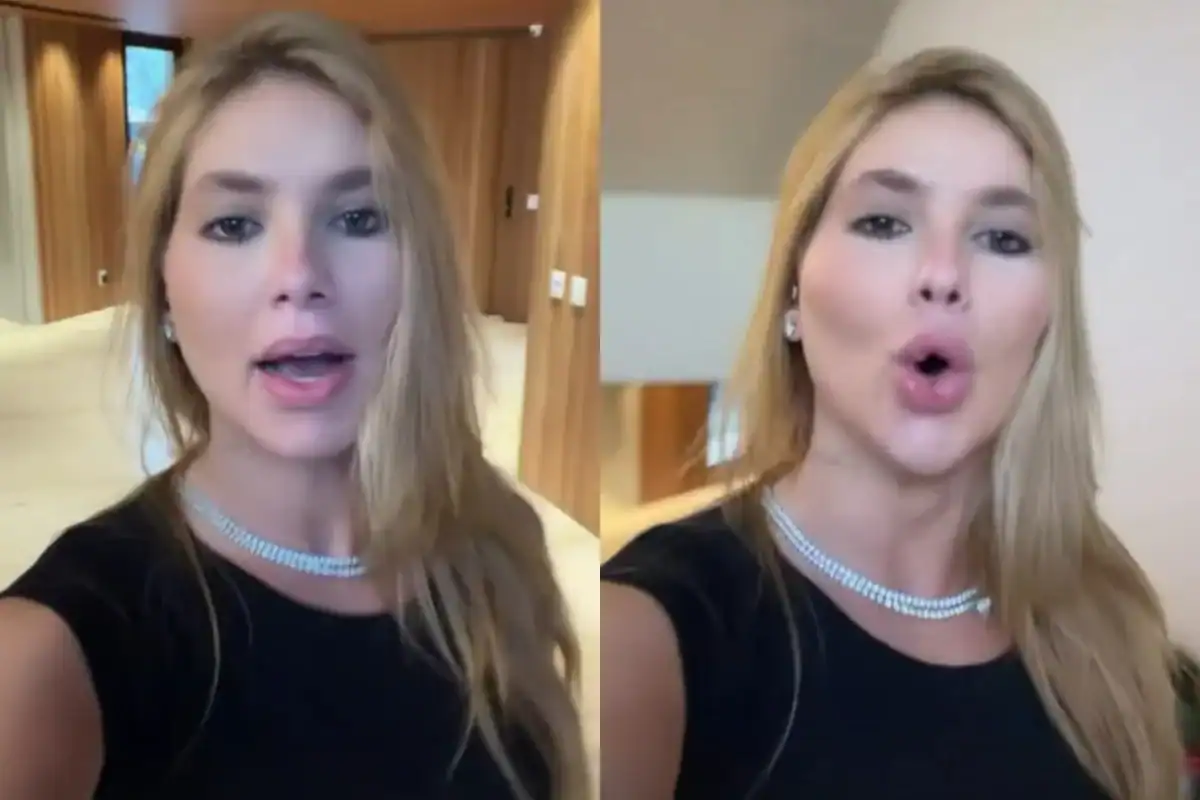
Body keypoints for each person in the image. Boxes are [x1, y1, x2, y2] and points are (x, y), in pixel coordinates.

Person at [0, 11, 587, 800]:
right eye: (234, 224)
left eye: (356, 218)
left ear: (419, 268)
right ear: (164, 290)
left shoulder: (496, 541)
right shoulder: (47, 658)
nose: (300, 275)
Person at [600, 48, 1183, 800]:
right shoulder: (650, 632)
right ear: (792, 292)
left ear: (1047, 319)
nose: (943, 275)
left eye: (1003, 238)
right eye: (884, 222)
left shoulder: (1106, 608)